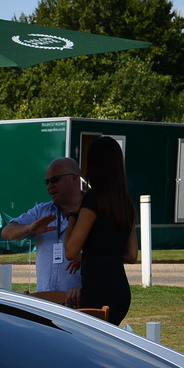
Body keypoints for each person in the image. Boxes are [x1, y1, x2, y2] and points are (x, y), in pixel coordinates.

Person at [64, 137, 138, 325]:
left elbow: (71, 251)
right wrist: (103, 253)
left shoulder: (93, 200)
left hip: (97, 289)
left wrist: (73, 217)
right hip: (120, 289)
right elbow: (131, 255)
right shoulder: (125, 202)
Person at [0, 157, 83, 305]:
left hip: (79, 300)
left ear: (75, 178)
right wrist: (30, 228)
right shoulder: (41, 211)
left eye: (55, 179)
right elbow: (7, 232)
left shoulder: (92, 210)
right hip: (46, 302)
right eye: (47, 181)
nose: (50, 186)